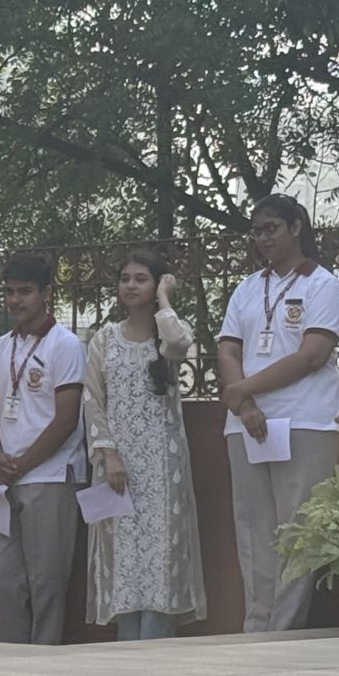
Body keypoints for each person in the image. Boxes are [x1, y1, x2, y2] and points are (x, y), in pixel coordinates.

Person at [217, 194, 339, 634]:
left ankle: (284, 630)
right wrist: (244, 404)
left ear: (296, 227)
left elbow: (312, 355)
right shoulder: (247, 287)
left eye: (271, 228)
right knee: (254, 529)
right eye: (256, 231)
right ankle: (257, 627)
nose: (263, 238)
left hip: (304, 419)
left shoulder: (322, 285)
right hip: (247, 423)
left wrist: (243, 390)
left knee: (297, 529)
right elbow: (228, 350)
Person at [82, 251, 207, 639]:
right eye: (125, 279)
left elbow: (180, 342)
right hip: (117, 468)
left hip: (162, 470)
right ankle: (126, 654)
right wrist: (109, 454)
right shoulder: (104, 339)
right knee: (124, 563)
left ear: (156, 285)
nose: (131, 286)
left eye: (141, 279)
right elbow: (92, 400)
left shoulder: (168, 334)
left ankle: (156, 654)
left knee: (161, 560)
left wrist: (166, 299)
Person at [0, 252, 86, 645]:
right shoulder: (0, 347)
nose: (15, 300)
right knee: (1, 580)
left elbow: (66, 420)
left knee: (47, 582)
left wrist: (19, 465)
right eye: (9, 292)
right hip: (5, 478)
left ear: (46, 293)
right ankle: (11, 659)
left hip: (50, 475)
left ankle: (42, 664)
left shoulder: (65, 345)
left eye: (24, 291)